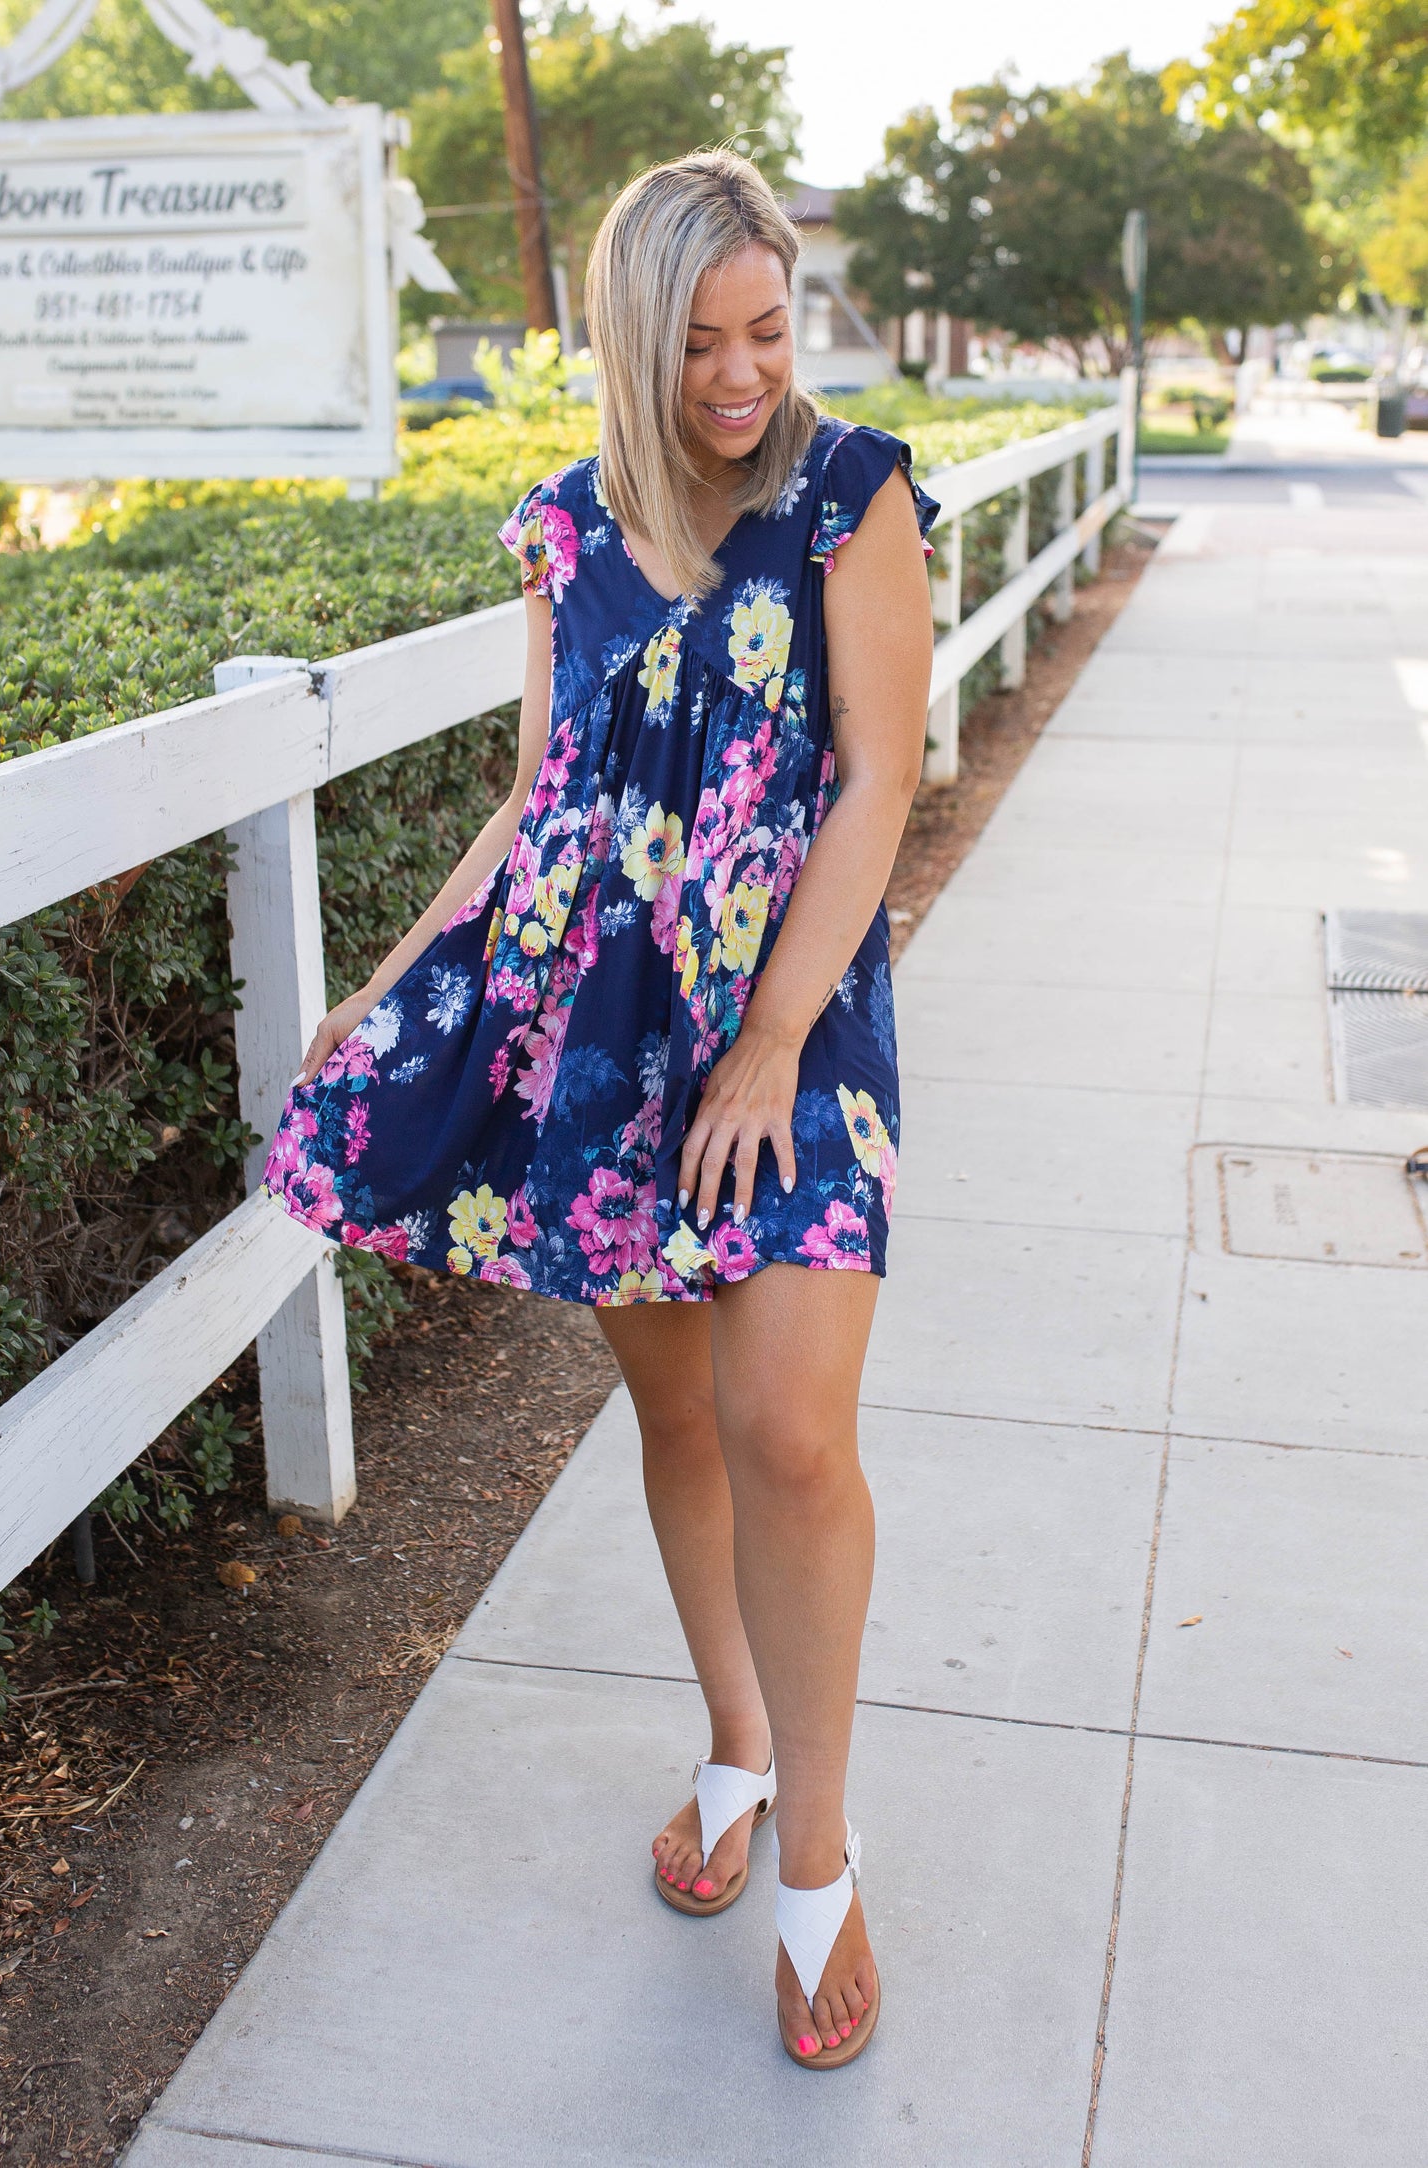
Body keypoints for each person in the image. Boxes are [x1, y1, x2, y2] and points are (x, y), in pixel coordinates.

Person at [264, 148, 937, 2069]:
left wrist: (770, 1043)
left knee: (788, 1425)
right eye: (703, 342)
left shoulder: (847, 490)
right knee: (672, 1413)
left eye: (767, 326)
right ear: (629, 342)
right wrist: (384, 997)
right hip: (597, 1026)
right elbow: (537, 797)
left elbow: (877, 776)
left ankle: (815, 1858)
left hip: (790, 1026)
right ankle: (733, 1746)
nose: (743, 373)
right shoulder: (567, 526)